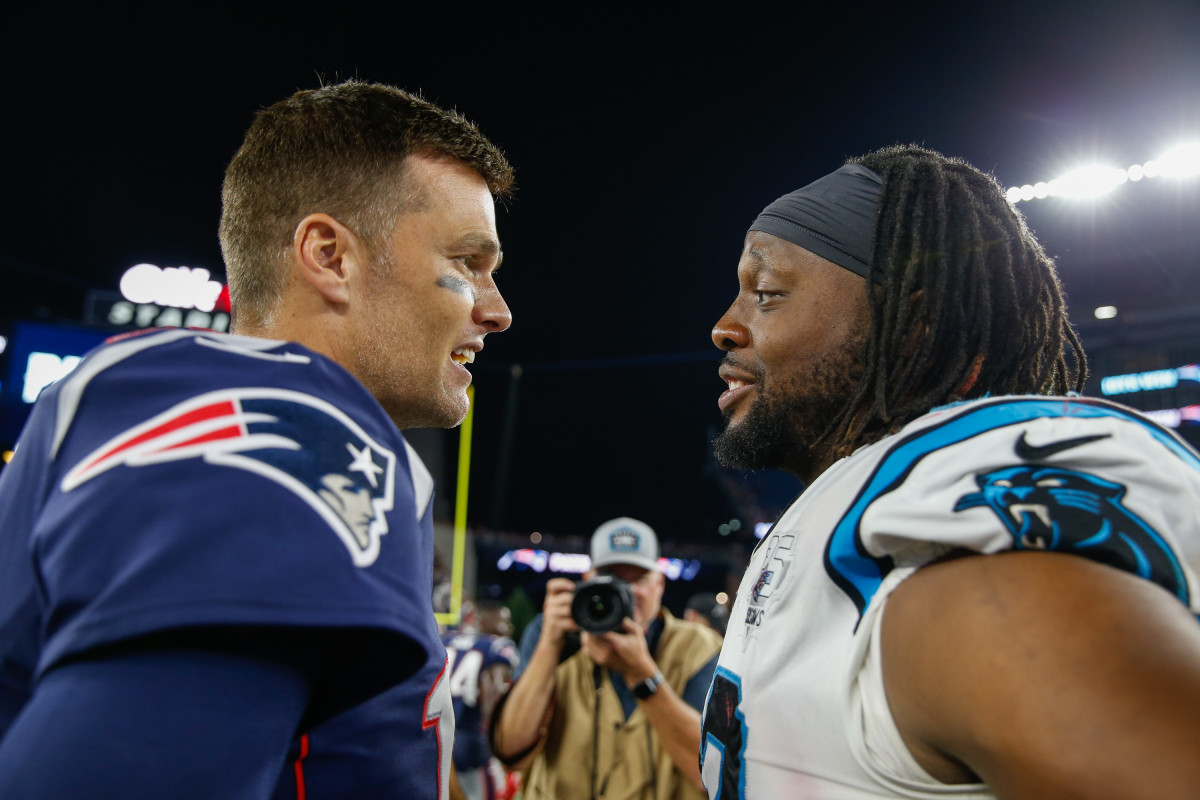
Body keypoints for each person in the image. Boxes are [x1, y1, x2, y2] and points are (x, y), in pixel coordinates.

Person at [0, 80, 515, 800]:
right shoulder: (289, 426)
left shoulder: (131, 392)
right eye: (468, 263)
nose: (498, 311)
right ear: (330, 256)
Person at [700, 144, 1200, 799]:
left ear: (913, 325)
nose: (723, 328)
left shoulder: (972, 576)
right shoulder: (852, 525)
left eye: (766, 294)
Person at [491, 517, 723, 800]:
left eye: (639, 579)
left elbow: (709, 775)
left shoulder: (698, 646)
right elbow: (510, 751)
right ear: (588, 581)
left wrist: (642, 675)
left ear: (660, 584)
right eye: (612, 578)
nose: (627, 591)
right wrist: (550, 647)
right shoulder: (551, 631)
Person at [443, 601, 521, 800]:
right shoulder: (496, 646)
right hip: (473, 739)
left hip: (441, 738)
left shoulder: (447, 640)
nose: (509, 627)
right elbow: (492, 691)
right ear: (484, 622)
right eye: (505, 621)